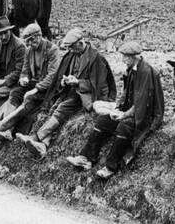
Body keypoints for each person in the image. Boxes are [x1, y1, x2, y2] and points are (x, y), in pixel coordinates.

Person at [65, 41, 164, 179]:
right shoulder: (132, 69)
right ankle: (86, 158)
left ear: (133, 57)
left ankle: (110, 166)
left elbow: (140, 104)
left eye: (125, 57)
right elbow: (125, 93)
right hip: (129, 110)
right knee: (103, 121)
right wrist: (117, 108)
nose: (123, 60)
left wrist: (123, 115)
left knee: (124, 127)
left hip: (143, 116)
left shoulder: (145, 72)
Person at [16, 28, 116, 159]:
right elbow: (61, 74)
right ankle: (43, 145)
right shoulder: (72, 55)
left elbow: (99, 84)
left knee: (62, 108)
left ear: (80, 43)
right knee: (54, 105)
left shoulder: (96, 58)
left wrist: (78, 82)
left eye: (72, 47)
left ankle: (37, 137)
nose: (71, 51)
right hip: (73, 90)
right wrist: (64, 82)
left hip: (88, 94)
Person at [0, 22, 60, 142]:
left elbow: (52, 76)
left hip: (47, 88)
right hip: (34, 83)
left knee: (29, 98)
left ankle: (4, 124)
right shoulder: (29, 51)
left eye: (31, 40)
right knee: (15, 93)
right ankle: (7, 131)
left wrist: (36, 89)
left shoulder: (52, 50)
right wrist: (23, 78)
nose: (28, 44)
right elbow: (25, 70)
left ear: (38, 36)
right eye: (27, 41)